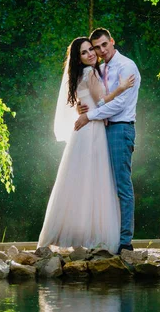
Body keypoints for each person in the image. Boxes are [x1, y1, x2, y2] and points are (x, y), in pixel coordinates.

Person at [38, 37, 135, 253]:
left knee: (80, 183)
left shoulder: (80, 75)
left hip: (84, 131)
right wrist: (121, 88)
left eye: (91, 49)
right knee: (95, 182)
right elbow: (102, 102)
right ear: (78, 58)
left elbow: (84, 102)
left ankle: (76, 235)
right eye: (85, 52)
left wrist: (83, 111)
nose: (91, 54)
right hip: (93, 131)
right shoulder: (90, 73)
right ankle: (95, 236)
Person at [74, 28, 141, 254]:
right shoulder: (101, 68)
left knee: (122, 185)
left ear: (112, 41)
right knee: (104, 185)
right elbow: (91, 93)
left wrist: (89, 115)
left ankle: (125, 242)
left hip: (120, 128)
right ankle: (105, 237)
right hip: (103, 130)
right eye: (96, 47)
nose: (101, 51)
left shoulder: (126, 67)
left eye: (104, 45)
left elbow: (119, 105)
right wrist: (80, 106)